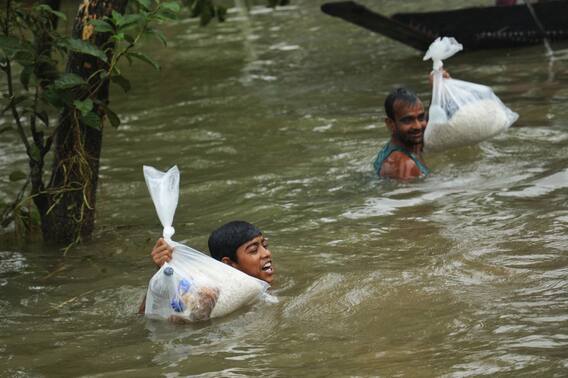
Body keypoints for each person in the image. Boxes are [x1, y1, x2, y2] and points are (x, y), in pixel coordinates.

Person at [138, 220, 275, 315]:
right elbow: (150, 317)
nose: (266, 253)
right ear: (228, 264)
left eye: (265, 245)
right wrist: (162, 274)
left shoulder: (265, 286)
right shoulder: (209, 294)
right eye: (253, 250)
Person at [372, 87, 429, 180]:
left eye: (421, 117)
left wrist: (439, 85)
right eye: (407, 120)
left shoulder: (410, 144)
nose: (417, 126)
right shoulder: (404, 165)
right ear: (390, 124)